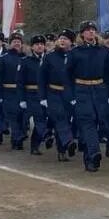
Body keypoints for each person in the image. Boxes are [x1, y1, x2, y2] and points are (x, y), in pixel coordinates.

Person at [69, 21, 109, 172]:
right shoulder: (75, 52)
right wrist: (71, 95)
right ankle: (93, 154)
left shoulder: (103, 51)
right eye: (87, 30)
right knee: (88, 122)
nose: (91, 32)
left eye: (93, 30)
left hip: (99, 89)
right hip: (82, 89)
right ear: (82, 34)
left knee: (99, 121)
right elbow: (67, 75)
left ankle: (92, 154)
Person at [39, 30, 78, 162]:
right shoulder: (50, 57)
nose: (62, 41)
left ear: (71, 42)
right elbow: (42, 78)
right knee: (60, 117)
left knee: (66, 119)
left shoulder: (75, 56)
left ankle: (62, 149)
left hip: (70, 94)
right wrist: (43, 97)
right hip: (53, 92)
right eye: (61, 38)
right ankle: (68, 141)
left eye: (66, 39)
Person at [18, 35, 48, 154]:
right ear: (32, 47)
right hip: (31, 94)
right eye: (37, 44)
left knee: (43, 119)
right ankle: (45, 136)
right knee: (39, 117)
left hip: (46, 94)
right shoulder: (25, 61)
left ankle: (35, 145)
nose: (39, 46)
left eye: (41, 44)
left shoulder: (48, 60)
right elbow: (20, 82)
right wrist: (22, 99)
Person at [0, 32, 26, 149]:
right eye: (14, 42)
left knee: (22, 118)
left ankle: (17, 139)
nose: (17, 44)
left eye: (19, 42)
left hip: (23, 93)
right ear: (10, 44)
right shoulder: (3, 59)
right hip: (8, 92)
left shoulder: (25, 58)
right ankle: (17, 139)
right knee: (13, 117)